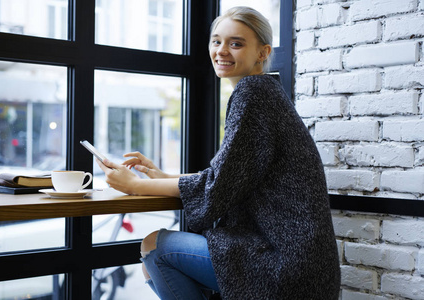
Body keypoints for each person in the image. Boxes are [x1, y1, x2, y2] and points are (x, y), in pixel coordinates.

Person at [97, 6, 341, 300]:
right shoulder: (266, 92)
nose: (222, 51)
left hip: (283, 264)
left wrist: (135, 185)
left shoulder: (253, 93)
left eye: (236, 43)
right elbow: (228, 178)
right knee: (154, 263)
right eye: (216, 41)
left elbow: (218, 186)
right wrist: (163, 177)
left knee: (154, 247)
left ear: (262, 52)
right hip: (303, 264)